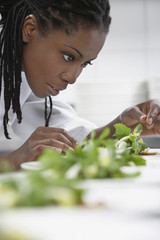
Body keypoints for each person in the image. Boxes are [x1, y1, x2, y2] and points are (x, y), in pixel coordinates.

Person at [0, 0, 160, 170]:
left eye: (85, 64)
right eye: (68, 57)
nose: (73, 77)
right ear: (30, 29)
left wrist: (119, 127)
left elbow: (66, 139)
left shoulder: (22, 75)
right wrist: (10, 161)